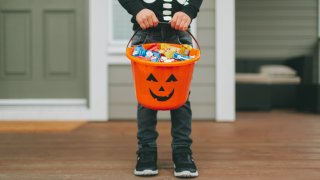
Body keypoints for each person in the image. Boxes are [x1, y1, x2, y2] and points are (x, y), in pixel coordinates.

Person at [118, 0, 203, 178]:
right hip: (145, 35)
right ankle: (146, 150)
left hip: (180, 35)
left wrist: (188, 11)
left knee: (180, 95)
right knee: (147, 94)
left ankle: (182, 151)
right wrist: (138, 10)